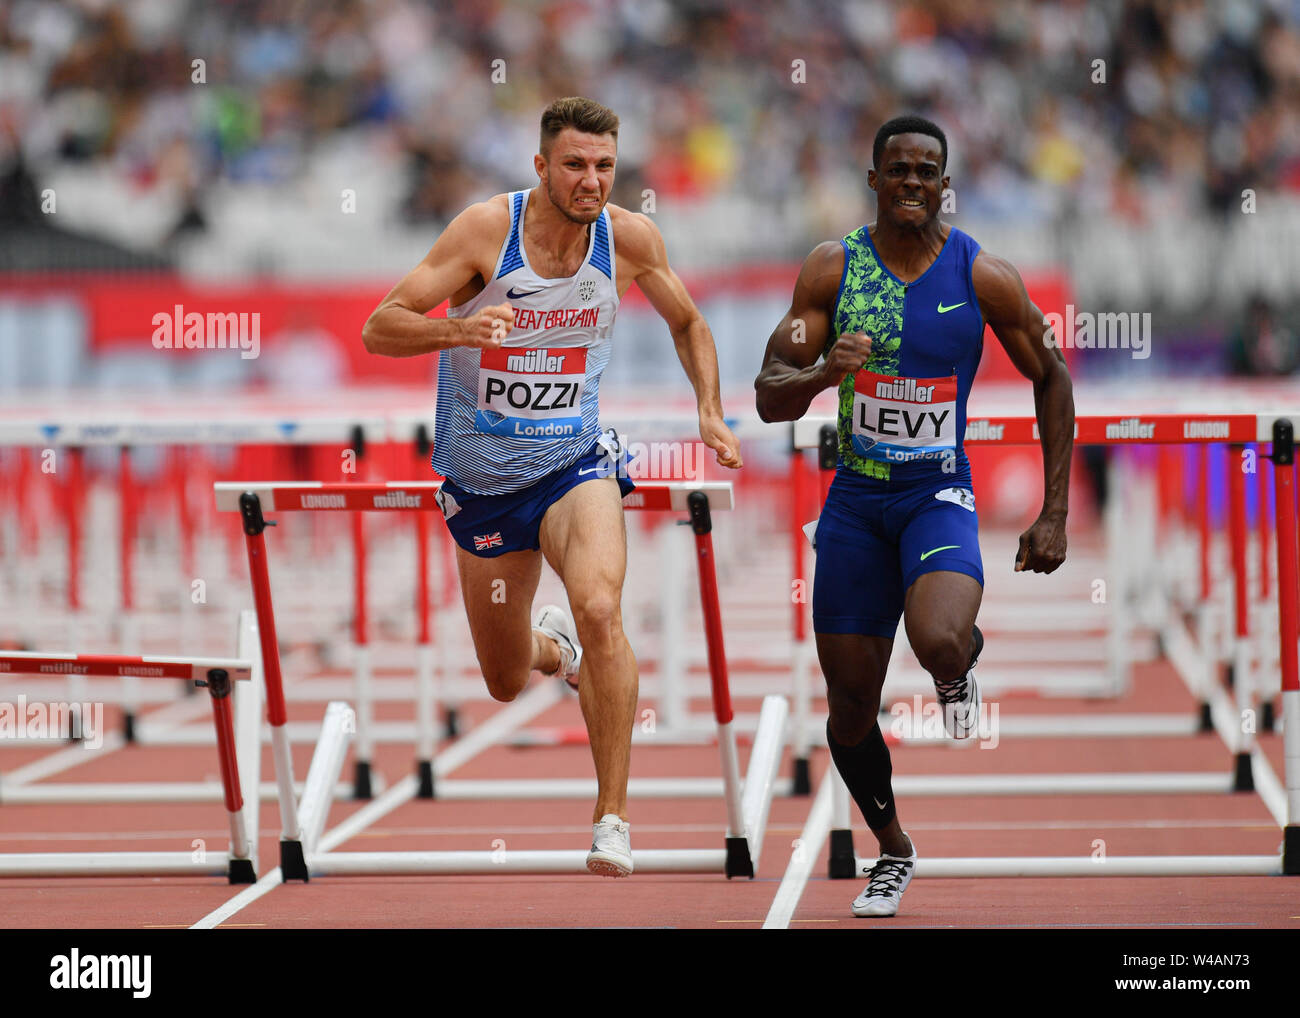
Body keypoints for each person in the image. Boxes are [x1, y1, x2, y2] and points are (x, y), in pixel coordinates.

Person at [363, 96, 742, 877]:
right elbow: (381, 325)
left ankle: (612, 816)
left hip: (575, 464)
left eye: (604, 166)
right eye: (574, 164)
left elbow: (689, 322)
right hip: (483, 484)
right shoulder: (483, 232)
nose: (591, 181)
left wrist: (708, 407)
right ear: (541, 166)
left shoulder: (629, 240)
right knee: (504, 681)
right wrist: (457, 329)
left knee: (602, 606)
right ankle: (550, 650)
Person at [754, 115, 1074, 917]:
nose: (910, 182)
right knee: (851, 705)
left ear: (944, 183)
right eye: (896, 169)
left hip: (938, 489)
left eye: (926, 171)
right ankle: (893, 848)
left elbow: (1053, 372)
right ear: (874, 179)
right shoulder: (833, 269)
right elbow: (766, 392)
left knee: (935, 641)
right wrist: (826, 372)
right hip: (858, 500)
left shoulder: (981, 276)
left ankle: (961, 656)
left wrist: (1054, 509)